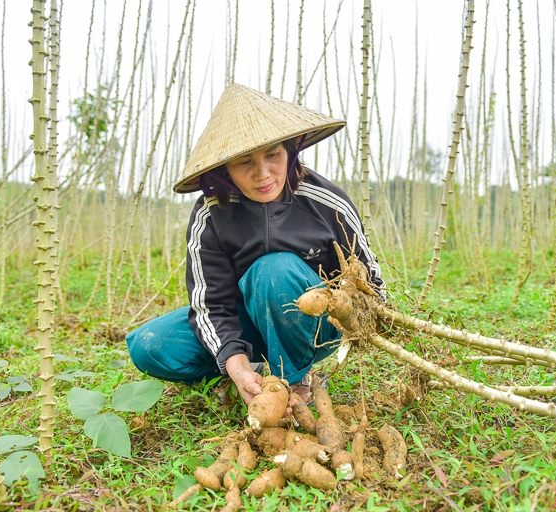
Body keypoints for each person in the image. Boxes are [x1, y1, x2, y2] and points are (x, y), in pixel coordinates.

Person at [126, 83, 384, 407]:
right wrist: (235, 364)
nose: (263, 174)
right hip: (245, 323)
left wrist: (349, 303)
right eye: (245, 161)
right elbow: (210, 305)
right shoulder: (210, 216)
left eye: (273, 155)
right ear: (225, 170)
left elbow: (372, 285)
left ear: (291, 150)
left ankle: (293, 379)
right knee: (150, 345)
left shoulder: (326, 203)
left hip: (313, 328)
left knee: (273, 271)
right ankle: (251, 375)